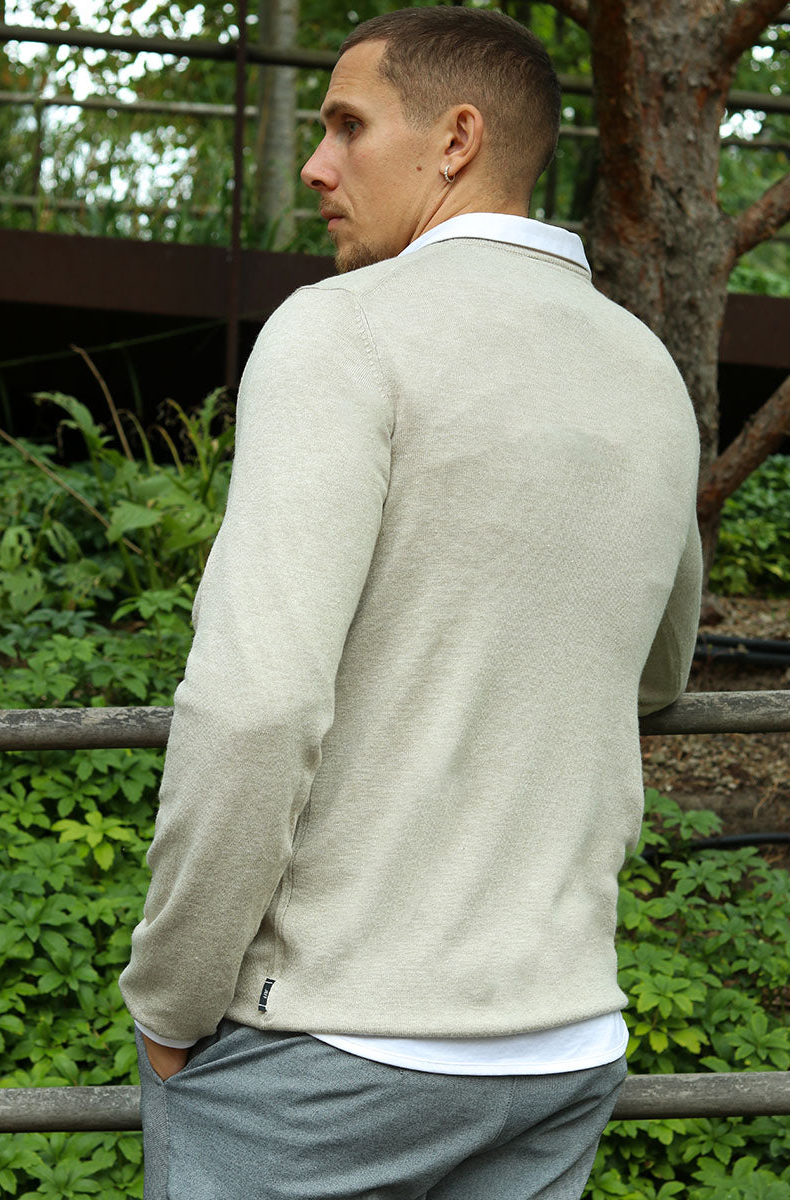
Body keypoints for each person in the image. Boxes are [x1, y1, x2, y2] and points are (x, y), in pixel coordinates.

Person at [120, 7, 702, 1198]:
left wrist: (170, 999)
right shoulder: (642, 366)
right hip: (559, 1042)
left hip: (328, 1056)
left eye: (346, 125)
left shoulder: (342, 331)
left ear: (455, 139)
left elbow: (254, 707)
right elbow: (656, 673)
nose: (314, 164)